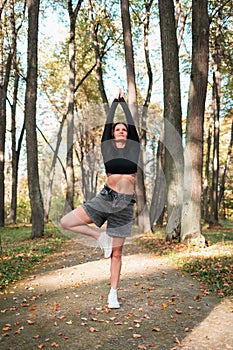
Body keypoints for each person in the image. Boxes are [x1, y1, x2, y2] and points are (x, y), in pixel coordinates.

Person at [60, 90, 140, 308]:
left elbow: (132, 126)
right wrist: (115, 103)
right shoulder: (107, 147)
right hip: (105, 198)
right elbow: (107, 126)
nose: (122, 131)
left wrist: (124, 104)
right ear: (113, 134)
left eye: (124, 129)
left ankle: (113, 293)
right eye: (118, 129)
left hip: (124, 206)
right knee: (66, 222)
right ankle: (100, 237)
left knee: (117, 253)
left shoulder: (134, 148)